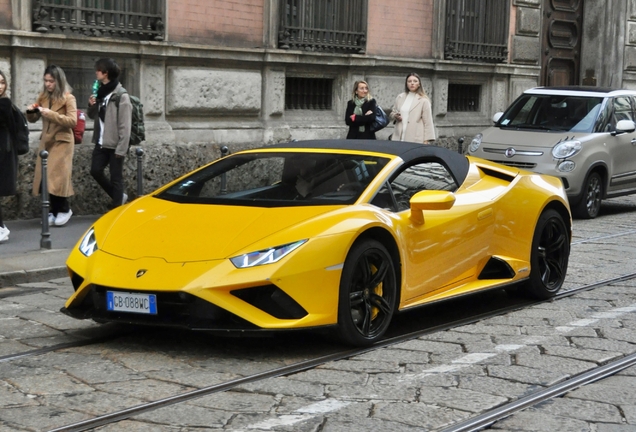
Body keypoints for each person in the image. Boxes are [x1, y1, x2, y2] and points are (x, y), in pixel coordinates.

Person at [26, 65, 77, 227]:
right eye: (46, 81)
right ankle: (52, 211)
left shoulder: (69, 98)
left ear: (58, 81)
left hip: (62, 142)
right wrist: (31, 112)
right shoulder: (43, 97)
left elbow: (72, 121)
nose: (48, 84)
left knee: (56, 177)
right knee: (45, 178)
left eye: (51, 81)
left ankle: (63, 209)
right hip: (46, 141)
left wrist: (52, 114)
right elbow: (33, 120)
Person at [88, 58, 131, 208]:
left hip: (114, 143)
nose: (96, 72)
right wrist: (91, 105)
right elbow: (92, 115)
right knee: (95, 171)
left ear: (106, 73)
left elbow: (126, 125)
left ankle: (117, 207)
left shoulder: (121, 95)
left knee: (116, 178)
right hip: (100, 142)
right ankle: (118, 195)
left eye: (98, 70)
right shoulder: (100, 93)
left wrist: (121, 148)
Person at [389, 73, 435, 144]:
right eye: (409, 81)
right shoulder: (400, 97)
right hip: (398, 136)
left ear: (419, 84)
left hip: (415, 138)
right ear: (406, 84)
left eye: (415, 81)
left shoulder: (424, 100)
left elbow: (428, 122)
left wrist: (426, 141)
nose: (412, 83)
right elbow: (393, 112)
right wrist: (395, 116)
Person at [0, 70, 18, 242]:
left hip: (2, 151)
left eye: (2, 83)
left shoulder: (4, 103)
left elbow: (11, 129)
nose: (0, 87)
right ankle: (2, 227)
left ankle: (1, 228)